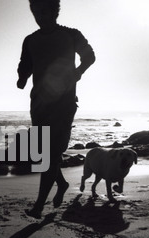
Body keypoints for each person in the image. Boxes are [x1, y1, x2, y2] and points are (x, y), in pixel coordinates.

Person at [17, 0, 95, 219]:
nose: (40, 16)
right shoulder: (30, 40)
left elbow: (90, 56)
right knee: (44, 154)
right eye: (36, 12)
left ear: (54, 11)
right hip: (39, 104)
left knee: (50, 153)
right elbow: (25, 64)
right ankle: (60, 184)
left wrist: (78, 72)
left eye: (44, 11)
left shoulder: (71, 35)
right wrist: (22, 78)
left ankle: (39, 205)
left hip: (64, 103)